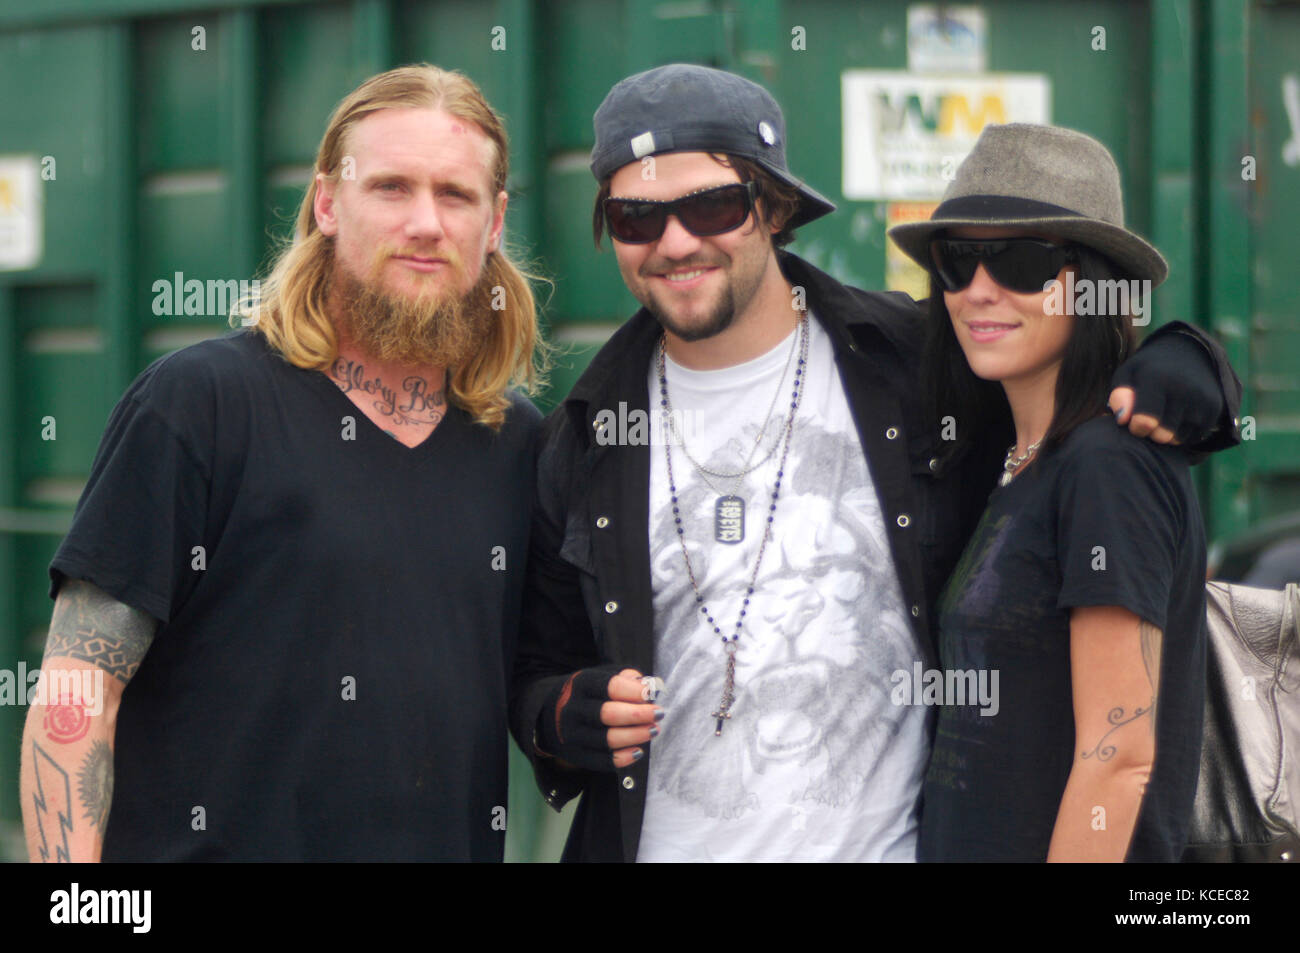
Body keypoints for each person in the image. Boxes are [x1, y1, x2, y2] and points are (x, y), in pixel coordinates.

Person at [509, 65, 1241, 862]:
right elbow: (536, 673)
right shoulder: (582, 435)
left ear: (775, 206)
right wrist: (559, 716)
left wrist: (1192, 362)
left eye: (712, 204)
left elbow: (1072, 389)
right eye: (636, 216)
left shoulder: (915, 364)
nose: (676, 241)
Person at [19, 64, 545, 861]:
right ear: (328, 203)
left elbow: (544, 690)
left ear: (495, 221)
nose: (427, 223)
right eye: (393, 188)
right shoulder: (200, 404)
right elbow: (76, 690)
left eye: (457, 195)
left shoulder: (516, 445)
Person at [889, 122, 1216, 861]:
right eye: (958, 259)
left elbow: (1119, 757)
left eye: (1023, 260)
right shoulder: (1014, 459)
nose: (979, 289)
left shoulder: (1107, 465)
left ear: (1095, 278)